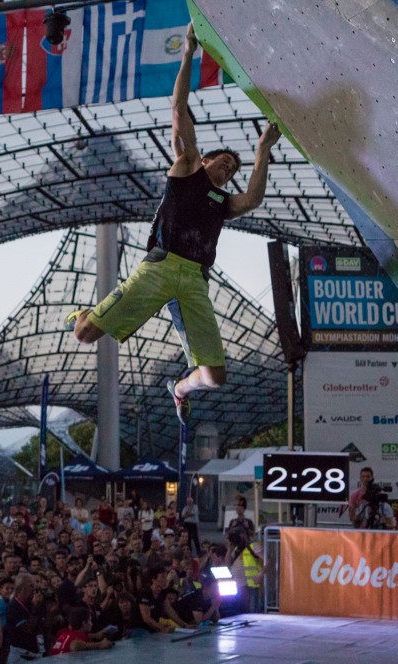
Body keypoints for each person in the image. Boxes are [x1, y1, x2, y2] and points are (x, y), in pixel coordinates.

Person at [69, 22, 282, 425]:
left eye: (232, 168)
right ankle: (84, 313)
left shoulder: (223, 202)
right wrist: (188, 53)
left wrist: (260, 152)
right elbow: (179, 109)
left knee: (215, 378)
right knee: (84, 336)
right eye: (223, 160)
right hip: (160, 268)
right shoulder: (186, 169)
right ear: (204, 160)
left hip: (195, 281)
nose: (227, 167)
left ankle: (180, 389)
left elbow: (253, 199)